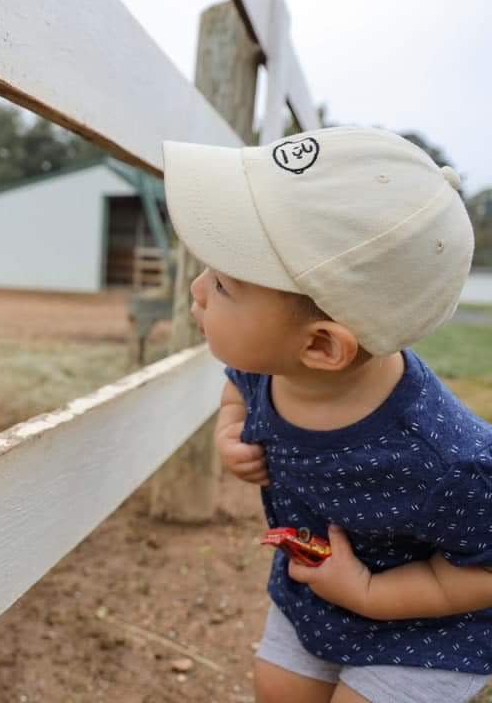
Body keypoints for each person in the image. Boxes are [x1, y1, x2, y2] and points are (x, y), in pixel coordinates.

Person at [161, 127, 492, 703]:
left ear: (320, 346)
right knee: (277, 690)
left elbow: (484, 570)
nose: (197, 288)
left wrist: (368, 593)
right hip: (315, 595)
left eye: (223, 284)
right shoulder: (269, 365)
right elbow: (238, 387)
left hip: (429, 627)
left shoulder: (449, 462)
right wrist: (230, 429)